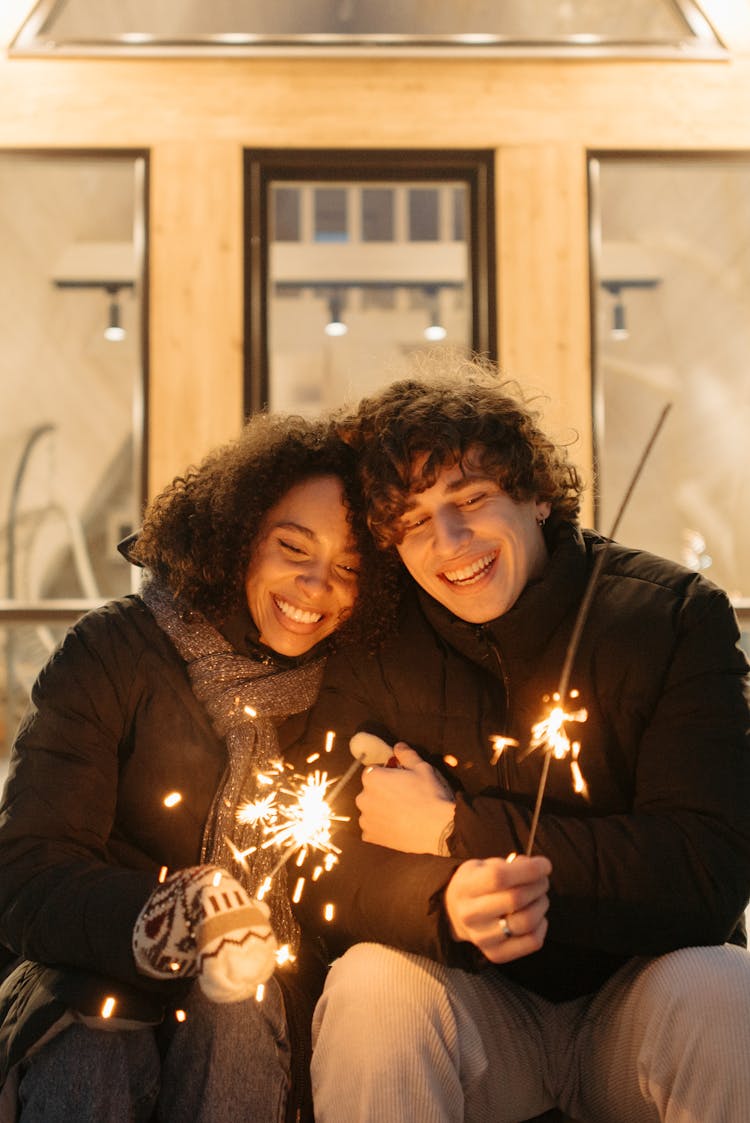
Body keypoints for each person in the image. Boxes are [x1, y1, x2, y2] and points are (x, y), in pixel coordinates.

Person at [284, 358, 750, 1123]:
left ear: (536, 494)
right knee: (371, 985)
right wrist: (444, 904)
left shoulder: (672, 617)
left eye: (472, 499)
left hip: (638, 1000)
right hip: (473, 1011)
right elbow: (320, 867)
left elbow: (707, 870)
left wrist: (454, 831)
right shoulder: (372, 642)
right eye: (414, 523)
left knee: (728, 993)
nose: (451, 540)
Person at [0, 411, 389, 1123]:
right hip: (92, 976)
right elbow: (26, 871)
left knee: (241, 1002)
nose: (314, 585)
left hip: (261, 1015)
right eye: (292, 546)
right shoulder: (114, 649)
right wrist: (169, 917)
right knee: (95, 1036)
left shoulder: (350, 692)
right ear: (238, 534)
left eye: (346, 569)